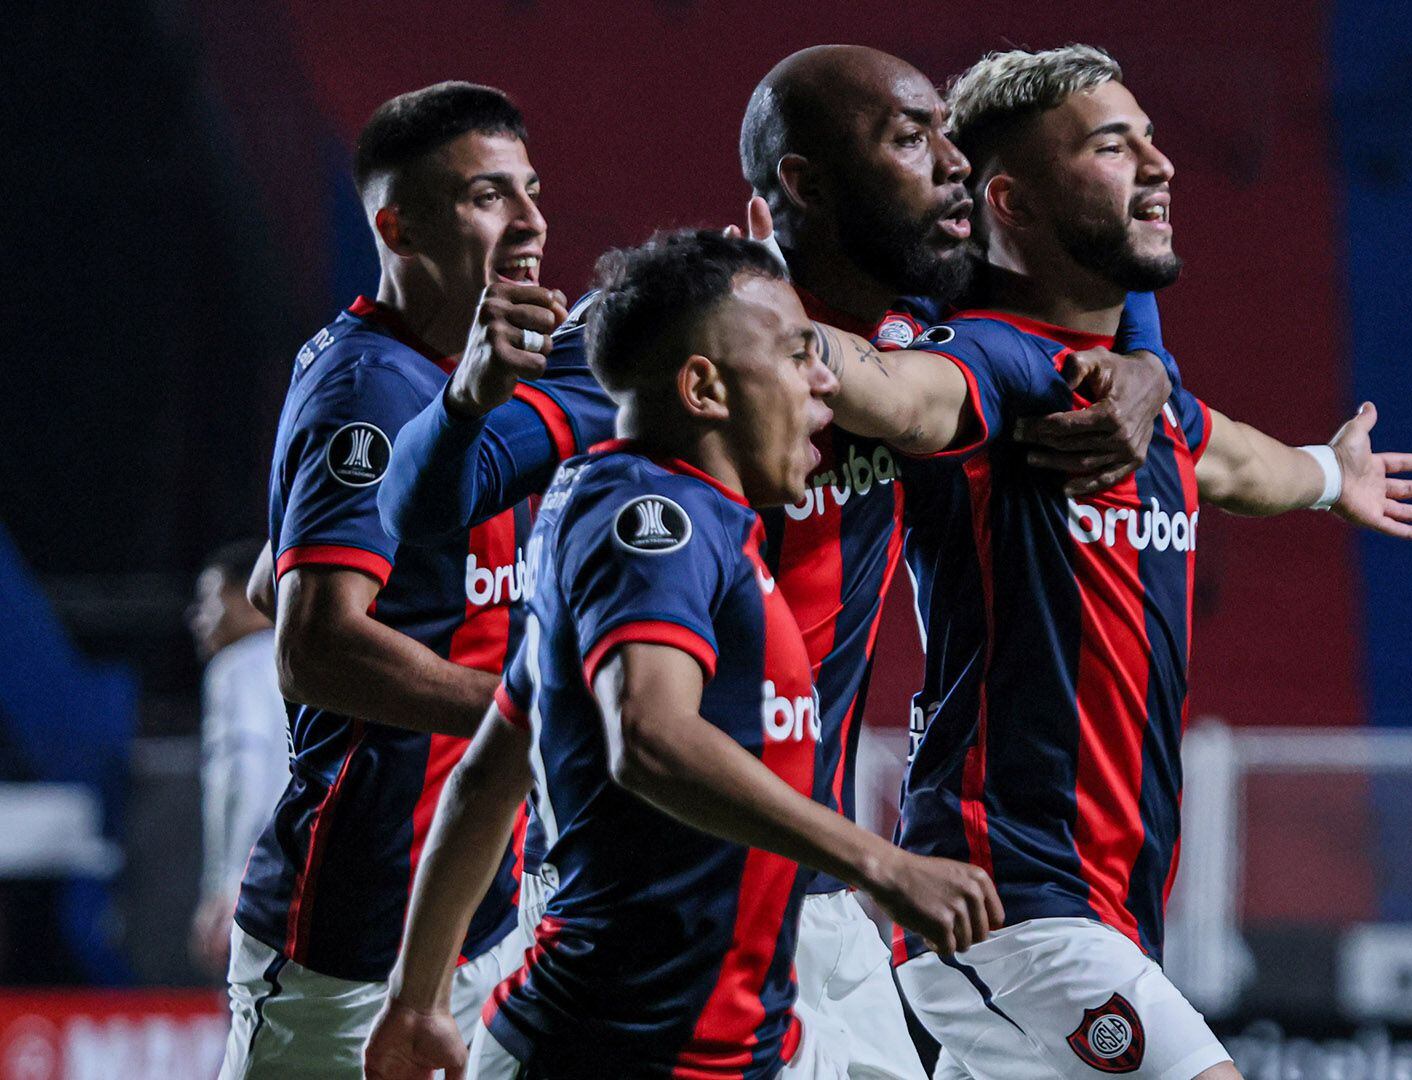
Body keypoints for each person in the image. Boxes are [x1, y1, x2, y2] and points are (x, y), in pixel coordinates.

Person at [373, 45, 1176, 1071]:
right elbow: (427, 508)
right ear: (801, 185)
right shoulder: (678, 353)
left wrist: (1145, 362)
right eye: (909, 138)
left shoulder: (927, 322)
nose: (954, 166)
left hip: (826, 913)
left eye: (945, 134)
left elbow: (1104, 258)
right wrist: (464, 399)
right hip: (654, 895)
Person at [879, 46, 1412, 1080]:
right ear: (1010, 198)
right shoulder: (985, 374)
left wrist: (1330, 473)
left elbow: (1243, 462)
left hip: (1107, 909)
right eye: (1113, 144)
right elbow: (905, 396)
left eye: (1151, 134)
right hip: (1006, 900)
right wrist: (792, 345)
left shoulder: (1156, 416)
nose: (1162, 163)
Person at [364, 230, 999, 1080]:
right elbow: (651, 738)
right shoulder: (656, 521)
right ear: (703, 386)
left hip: (720, 1043)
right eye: (796, 353)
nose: (824, 381)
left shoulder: (671, 515)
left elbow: (491, 771)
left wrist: (415, 1000)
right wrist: (880, 862)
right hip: (612, 1048)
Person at [221, 81, 566, 1078]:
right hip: (354, 940)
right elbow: (310, 643)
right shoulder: (370, 388)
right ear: (398, 225)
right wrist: (530, 721)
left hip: (477, 911)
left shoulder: (477, 367)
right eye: (487, 195)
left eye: (531, 189)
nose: (532, 220)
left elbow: (267, 580)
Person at [189, 539, 286, 978]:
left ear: (249, 597)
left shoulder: (235, 667)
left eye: (210, 600)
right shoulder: (303, 660)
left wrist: (228, 885)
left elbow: (242, 774)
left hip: (263, 876)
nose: (198, 618)